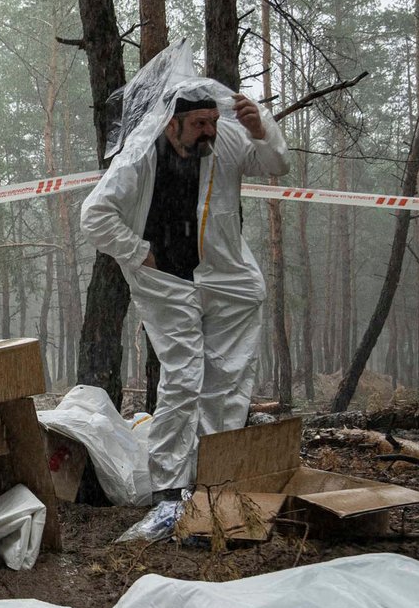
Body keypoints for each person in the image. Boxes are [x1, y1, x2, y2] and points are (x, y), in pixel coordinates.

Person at [79, 48, 289, 499]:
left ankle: (212, 477)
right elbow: (95, 215)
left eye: (212, 121)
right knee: (184, 376)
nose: (208, 131)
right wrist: (139, 252)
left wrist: (260, 128)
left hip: (222, 274)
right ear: (172, 123)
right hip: (165, 281)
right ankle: (169, 486)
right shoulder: (140, 157)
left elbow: (276, 164)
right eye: (199, 124)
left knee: (227, 379)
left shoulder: (226, 142)